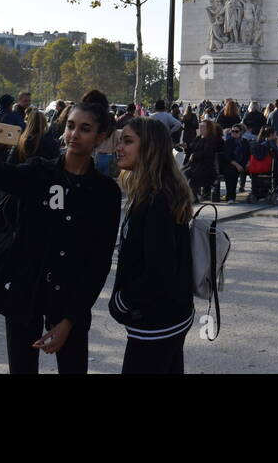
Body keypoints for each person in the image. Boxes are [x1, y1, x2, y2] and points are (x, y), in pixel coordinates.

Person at [0, 94, 122, 374]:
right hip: (24, 288)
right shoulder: (39, 171)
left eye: (85, 129)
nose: (74, 134)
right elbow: (1, 174)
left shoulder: (106, 192)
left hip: (70, 297)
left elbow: (99, 262)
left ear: (100, 137)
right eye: (71, 126)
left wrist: (70, 320)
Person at [109, 116, 196, 373]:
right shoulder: (154, 192)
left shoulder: (156, 200)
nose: (119, 147)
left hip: (156, 321)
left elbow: (159, 271)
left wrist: (123, 301)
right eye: (119, 140)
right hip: (169, 315)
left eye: (127, 141)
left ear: (149, 148)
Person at [183, 118, 220, 200]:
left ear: (208, 129)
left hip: (205, 165)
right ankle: (190, 195)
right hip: (195, 164)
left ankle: (193, 196)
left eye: (203, 127)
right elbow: (192, 148)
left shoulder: (211, 139)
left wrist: (194, 155)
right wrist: (186, 147)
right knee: (182, 173)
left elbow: (207, 152)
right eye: (200, 126)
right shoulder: (199, 138)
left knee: (193, 177)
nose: (200, 129)